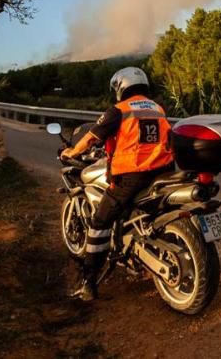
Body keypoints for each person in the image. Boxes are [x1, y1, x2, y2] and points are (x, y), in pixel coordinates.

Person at [60, 66, 174, 301]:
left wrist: (71, 151)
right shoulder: (157, 108)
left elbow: (92, 137)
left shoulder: (119, 110)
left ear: (122, 86)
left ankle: (88, 283)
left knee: (99, 222)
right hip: (162, 172)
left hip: (132, 176)